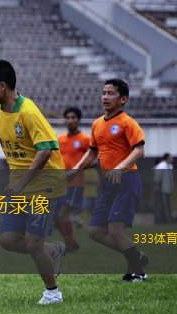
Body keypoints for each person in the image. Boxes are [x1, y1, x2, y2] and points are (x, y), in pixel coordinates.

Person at [0, 59, 66, 305]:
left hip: (44, 185)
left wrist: (21, 183)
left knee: (33, 242)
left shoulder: (29, 112)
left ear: (2, 86)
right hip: (20, 185)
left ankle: (53, 292)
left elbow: (46, 150)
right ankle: (53, 250)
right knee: (7, 239)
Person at [69, 79, 148, 282]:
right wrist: (76, 169)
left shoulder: (127, 122)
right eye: (104, 92)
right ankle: (136, 256)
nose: (105, 97)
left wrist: (120, 167)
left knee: (115, 230)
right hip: (108, 184)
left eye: (111, 93)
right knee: (95, 231)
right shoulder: (97, 124)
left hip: (127, 180)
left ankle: (139, 272)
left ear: (123, 99)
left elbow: (139, 150)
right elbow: (92, 152)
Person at [56, 107, 90, 251]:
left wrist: (78, 169)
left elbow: (95, 158)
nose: (70, 120)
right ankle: (71, 243)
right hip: (60, 183)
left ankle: (70, 243)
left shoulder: (85, 139)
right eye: (68, 118)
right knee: (56, 216)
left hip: (75, 183)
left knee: (63, 213)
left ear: (78, 120)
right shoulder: (60, 139)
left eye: (73, 117)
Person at [153, 153, 173, 224]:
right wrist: (158, 188)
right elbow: (157, 179)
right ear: (167, 158)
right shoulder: (161, 166)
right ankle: (161, 220)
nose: (172, 159)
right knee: (162, 205)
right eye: (171, 158)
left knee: (167, 205)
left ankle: (166, 219)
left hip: (167, 189)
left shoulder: (169, 166)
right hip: (161, 190)